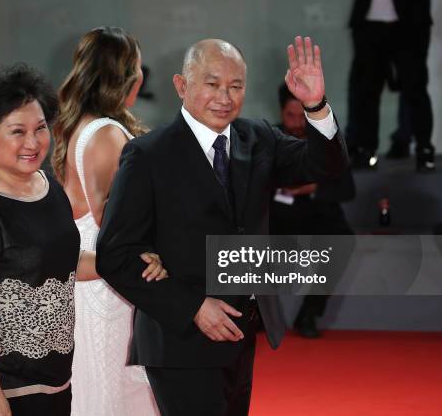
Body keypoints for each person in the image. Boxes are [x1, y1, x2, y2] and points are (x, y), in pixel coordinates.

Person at [96, 37, 348, 415]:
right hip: (179, 338)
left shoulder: (258, 138)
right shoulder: (148, 154)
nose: (224, 97)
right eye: (212, 84)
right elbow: (114, 254)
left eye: (236, 86)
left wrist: (315, 105)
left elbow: (325, 166)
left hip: (241, 334)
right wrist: (194, 307)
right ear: (182, 85)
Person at [0, 63, 166, 416]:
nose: (33, 143)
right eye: (17, 131)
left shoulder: (49, 188)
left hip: (57, 372)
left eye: (40, 128)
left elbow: (67, 262)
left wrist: (131, 263)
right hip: (6, 382)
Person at [51, 26, 160, 416]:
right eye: (137, 66)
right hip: (110, 288)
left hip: (91, 283)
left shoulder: (76, 127)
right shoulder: (106, 134)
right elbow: (119, 225)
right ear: (127, 76)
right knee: (117, 395)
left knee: (98, 390)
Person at [343, 0, 442, 171]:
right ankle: (366, 149)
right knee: (367, 90)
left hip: (409, 24)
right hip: (369, 23)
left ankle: (424, 149)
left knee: (415, 88)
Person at [270, 83, 355, 338]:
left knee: (342, 239)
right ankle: (258, 313)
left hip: (317, 215)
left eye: (301, 116)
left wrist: (312, 188)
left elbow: (348, 190)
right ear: (281, 113)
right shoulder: (269, 138)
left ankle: (309, 313)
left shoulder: (328, 139)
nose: (296, 124)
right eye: (290, 116)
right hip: (276, 216)